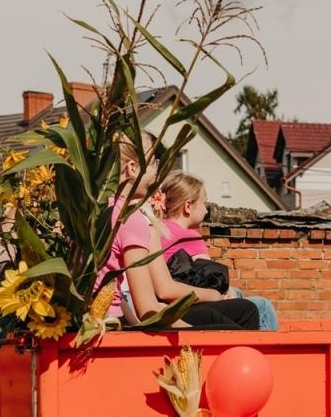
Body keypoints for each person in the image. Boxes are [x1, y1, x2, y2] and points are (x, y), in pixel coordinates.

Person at [98, 138, 258, 331]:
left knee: (242, 311)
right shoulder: (131, 218)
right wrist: (192, 333)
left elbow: (112, 287)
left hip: (107, 317)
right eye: (153, 163)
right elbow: (148, 309)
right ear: (132, 168)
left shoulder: (99, 210)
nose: (157, 171)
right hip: (110, 322)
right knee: (244, 317)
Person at [150, 172, 279, 330]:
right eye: (204, 203)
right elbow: (214, 280)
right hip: (189, 303)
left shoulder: (157, 229)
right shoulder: (189, 237)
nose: (206, 210)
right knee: (261, 305)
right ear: (188, 206)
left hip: (167, 302)